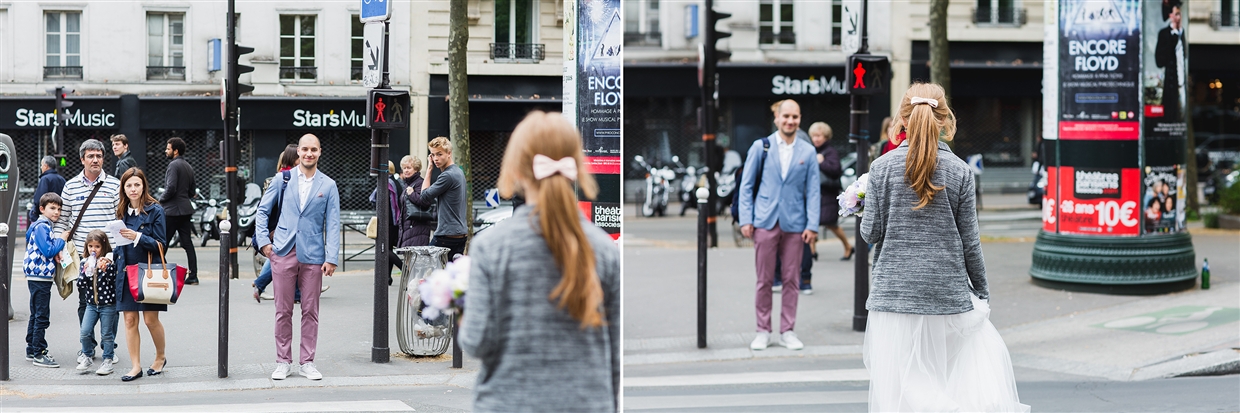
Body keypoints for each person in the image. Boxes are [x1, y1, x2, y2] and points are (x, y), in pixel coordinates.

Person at [860, 83, 1027, 412]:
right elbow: (970, 243)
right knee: (940, 380)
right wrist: (982, 292)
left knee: (899, 390)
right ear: (944, 120)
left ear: (903, 119)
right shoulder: (960, 171)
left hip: (893, 295)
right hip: (946, 297)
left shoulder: (881, 168)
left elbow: (871, 233)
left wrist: (866, 204)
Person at [459, 111, 620, 412]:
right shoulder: (605, 249)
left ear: (517, 170)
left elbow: (477, 341)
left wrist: (461, 308)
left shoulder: (491, 247)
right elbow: (614, 355)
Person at [256, 134, 341, 381]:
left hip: (313, 255)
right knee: (282, 310)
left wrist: (332, 257)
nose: (309, 153)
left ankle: (307, 361)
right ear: (298, 152)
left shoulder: (328, 185)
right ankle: (283, 361)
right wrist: (265, 243)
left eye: (313, 149)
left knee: (310, 310)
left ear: (319, 152)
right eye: (305, 149)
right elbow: (262, 211)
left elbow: (333, 223)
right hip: (282, 252)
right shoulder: (282, 179)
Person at [737, 99, 820, 351]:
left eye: (794, 117)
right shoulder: (760, 147)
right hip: (764, 221)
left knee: (792, 280)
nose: (790, 121)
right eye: (786, 116)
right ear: (777, 118)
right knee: (764, 280)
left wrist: (812, 225)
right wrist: (746, 219)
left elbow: (813, 190)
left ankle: (787, 330)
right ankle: (762, 330)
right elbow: (747, 186)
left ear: (799, 119)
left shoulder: (807, 152)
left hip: (795, 224)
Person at [55, 139, 122, 369]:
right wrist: (59, 248)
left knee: (110, 304)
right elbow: (63, 221)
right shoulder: (70, 186)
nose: (95, 160)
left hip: (109, 258)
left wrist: (114, 255)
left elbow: (120, 220)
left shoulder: (114, 185)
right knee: (85, 303)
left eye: (99, 156)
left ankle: (109, 349)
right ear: (82, 159)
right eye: (91, 156)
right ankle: (87, 348)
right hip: (82, 259)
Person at [112, 167, 169, 382]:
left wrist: (138, 237)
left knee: (150, 320)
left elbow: (162, 245)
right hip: (126, 272)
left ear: (144, 186)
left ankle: (161, 356)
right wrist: (110, 256)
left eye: (137, 184)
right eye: (129, 185)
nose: (133, 189)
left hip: (148, 273)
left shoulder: (155, 211)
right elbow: (119, 244)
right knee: (129, 320)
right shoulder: (121, 212)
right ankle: (135, 366)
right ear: (123, 189)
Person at [253, 144, 318, 302]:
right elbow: (268, 208)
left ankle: (267, 286)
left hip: (289, 228)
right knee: (284, 258)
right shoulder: (284, 178)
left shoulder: (294, 176)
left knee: (285, 258)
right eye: (299, 155)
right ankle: (264, 285)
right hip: (283, 229)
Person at [24, 192, 67, 368]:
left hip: (36, 275)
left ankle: (31, 348)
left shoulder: (39, 225)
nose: (56, 212)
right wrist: (62, 240)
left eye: (58, 209)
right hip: (40, 276)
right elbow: (48, 251)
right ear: (42, 209)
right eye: (52, 208)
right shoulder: (42, 226)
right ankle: (39, 353)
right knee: (42, 315)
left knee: (36, 313)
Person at [412, 137, 468, 259]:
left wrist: (429, 168)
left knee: (425, 268)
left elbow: (424, 196)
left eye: (439, 154)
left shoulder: (447, 176)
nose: (436, 158)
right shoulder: (458, 172)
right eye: (432, 155)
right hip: (459, 233)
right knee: (451, 275)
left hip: (446, 235)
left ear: (449, 153)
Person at [75, 229, 119, 375]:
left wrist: (105, 269)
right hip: (91, 305)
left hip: (108, 305)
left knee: (107, 334)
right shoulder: (84, 262)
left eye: (97, 247)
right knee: (85, 332)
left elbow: (112, 282)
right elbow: (80, 285)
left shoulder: (109, 262)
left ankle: (108, 360)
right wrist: (86, 270)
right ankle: (87, 356)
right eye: (91, 246)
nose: (94, 250)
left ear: (103, 247)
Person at [811, 121, 854, 268]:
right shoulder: (813, 151)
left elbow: (836, 171)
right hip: (815, 193)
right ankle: (812, 251)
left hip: (827, 193)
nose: (816, 139)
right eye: (814, 136)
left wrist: (821, 162)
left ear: (826, 136)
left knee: (831, 224)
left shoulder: (830, 152)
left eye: (819, 135)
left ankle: (848, 246)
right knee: (812, 222)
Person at [160, 137, 198, 285]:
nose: (166, 151)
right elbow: (192, 191)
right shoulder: (188, 166)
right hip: (185, 209)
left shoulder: (173, 165)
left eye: (168, 148)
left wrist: (160, 200)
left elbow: (171, 188)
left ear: (175, 151)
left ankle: (160, 272)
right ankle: (193, 275)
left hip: (171, 211)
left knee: (163, 243)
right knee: (187, 243)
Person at [370, 161, 403, 285]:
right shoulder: (397, 182)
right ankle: (387, 278)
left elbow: (373, 198)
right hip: (395, 221)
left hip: (387, 221)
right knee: (388, 248)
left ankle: (403, 267)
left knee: (382, 248)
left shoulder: (385, 183)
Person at [1155, 1, 1186, 121]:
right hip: (1171, 85)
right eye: (1176, 14)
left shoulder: (1182, 34)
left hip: (1182, 84)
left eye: (1180, 14)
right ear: (1170, 16)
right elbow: (1160, 61)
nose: (1179, 17)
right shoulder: (1165, 34)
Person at [398, 155, 433, 248]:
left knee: (413, 259)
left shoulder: (420, 183)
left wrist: (411, 194)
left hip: (417, 228)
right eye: (404, 168)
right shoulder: (408, 184)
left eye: (409, 168)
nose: (406, 170)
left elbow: (426, 202)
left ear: (416, 169)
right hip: (409, 228)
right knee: (409, 259)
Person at [28, 155, 66, 225]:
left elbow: (39, 199)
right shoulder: (62, 179)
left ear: (46, 166)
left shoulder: (45, 179)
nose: (41, 167)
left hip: (46, 215)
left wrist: (34, 213)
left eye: (41, 165)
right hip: (58, 215)